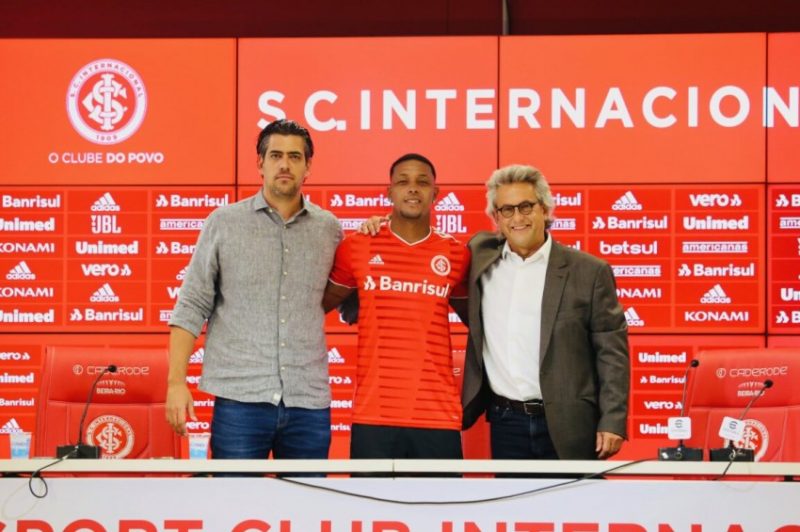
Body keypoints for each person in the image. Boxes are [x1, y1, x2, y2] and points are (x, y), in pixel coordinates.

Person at [166, 119, 343, 463]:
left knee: (309, 511)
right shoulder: (224, 222)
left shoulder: (329, 229)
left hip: (308, 401)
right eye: (275, 155)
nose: (285, 164)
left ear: (308, 167)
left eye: (295, 156)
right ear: (260, 163)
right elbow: (191, 304)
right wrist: (176, 382)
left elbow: (350, 296)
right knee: (233, 510)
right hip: (239, 401)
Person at [461, 164, 629, 461]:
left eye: (526, 207)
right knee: (514, 508)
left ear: (544, 209)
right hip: (505, 421)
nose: (518, 218)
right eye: (507, 210)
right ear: (496, 218)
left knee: (573, 508)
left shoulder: (589, 271)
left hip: (572, 422)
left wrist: (612, 420)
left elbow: (611, 353)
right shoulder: (479, 258)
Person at [322, 153, 470, 460]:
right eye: (403, 182)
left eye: (422, 182)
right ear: (389, 192)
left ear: (436, 193)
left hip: (438, 417)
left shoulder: (457, 254)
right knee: (372, 509)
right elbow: (313, 306)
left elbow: (482, 322)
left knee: (441, 509)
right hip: (374, 416)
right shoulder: (358, 246)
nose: (412, 189)